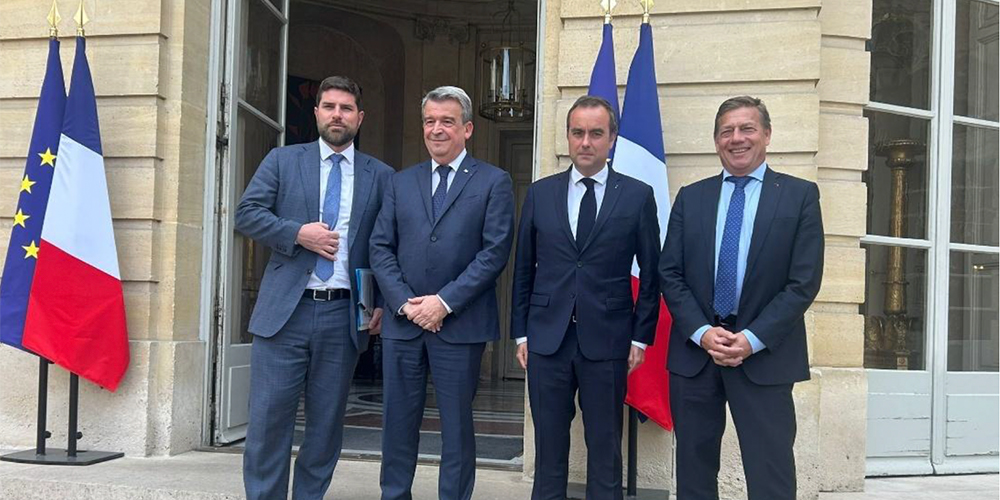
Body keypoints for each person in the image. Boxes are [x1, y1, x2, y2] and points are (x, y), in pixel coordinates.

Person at [234, 76, 393, 500]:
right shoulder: (283, 161)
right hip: (285, 314)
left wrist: (381, 301)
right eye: (330, 106)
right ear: (317, 112)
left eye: (346, 108)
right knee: (269, 423)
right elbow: (247, 213)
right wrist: (297, 233)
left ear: (360, 117)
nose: (337, 115)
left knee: (325, 428)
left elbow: (387, 245)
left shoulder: (381, 176)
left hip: (343, 316)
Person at [659, 95, 825, 500]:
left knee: (771, 475)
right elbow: (670, 273)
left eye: (747, 128)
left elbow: (803, 282)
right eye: (726, 131)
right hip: (697, 356)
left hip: (765, 356)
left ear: (767, 134)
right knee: (694, 476)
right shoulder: (691, 197)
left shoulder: (800, 196)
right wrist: (702, 332)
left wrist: (751, 339)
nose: (736, 138)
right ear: (716, 140)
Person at [510, 95, 661, 500]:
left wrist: (640, 337)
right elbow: (523, 268)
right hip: (547, 339)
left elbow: (652, 273)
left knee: (605, 448)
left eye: (596, 133)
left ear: (612, 138)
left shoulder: (637, 196)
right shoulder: (541, 194)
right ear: (568, 137)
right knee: (548, 449)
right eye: (577, 133)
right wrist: (521, 333)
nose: (586, 142)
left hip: (609, 340)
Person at [369, 85, 515, 500]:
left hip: (460, 325)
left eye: (447, 121)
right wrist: (404, 303)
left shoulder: (494, 181)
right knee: (398, 423)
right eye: (430, 121)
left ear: (467, 129)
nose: (437, 129)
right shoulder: (400, 182)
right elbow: (380, 247)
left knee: (456, 427)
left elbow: (494, 253)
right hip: (403, 323)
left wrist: (443, 303)